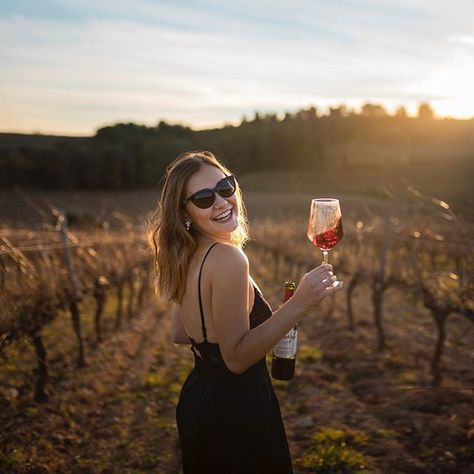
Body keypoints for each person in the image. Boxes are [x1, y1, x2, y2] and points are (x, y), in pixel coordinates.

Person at [147, 150, 343, 474]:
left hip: (199, 399)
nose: (222, 202)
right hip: (237, 412)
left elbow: (181, 335)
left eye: (225, 188)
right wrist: (301, 302)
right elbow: (236, 360)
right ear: (185, 213)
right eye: (204, 198)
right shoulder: (228, 259)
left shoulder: (186, 253)